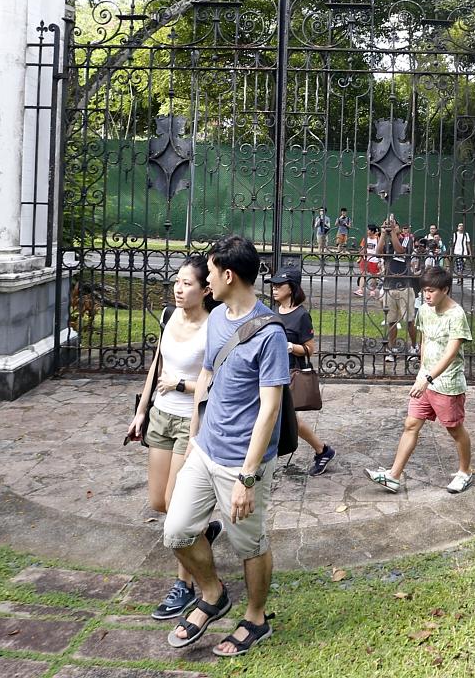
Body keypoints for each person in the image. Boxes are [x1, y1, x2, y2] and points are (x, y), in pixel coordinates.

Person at [162, 236, 290, 658]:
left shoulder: (269, 334)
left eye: (211, 272)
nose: (206, 279)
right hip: (205, 448)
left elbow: (270, 409)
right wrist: (196, 436)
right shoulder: (217, 318)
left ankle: (256, 618)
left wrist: (247, 478)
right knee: (177, 530)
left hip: (242, 462)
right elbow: (208, 376)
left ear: (228, 275)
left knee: (250, 545)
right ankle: (214, 594)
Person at [126, 256, 217, 621]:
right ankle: (203, 533)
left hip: (189, 421)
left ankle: (186, 584)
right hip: (161, 417)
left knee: (175, 505)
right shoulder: (168, 316)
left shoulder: (213, 327)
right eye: (177, 282)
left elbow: (213, 382)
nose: (179, 289)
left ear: (206, 290)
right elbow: (156, 365)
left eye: (187, 284)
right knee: (157, 502)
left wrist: (182, 385)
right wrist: (142, 410)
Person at [365, 267, 475, 495]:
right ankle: (394, 476)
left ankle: (465, 471)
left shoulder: (456, 315)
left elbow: (451, 353)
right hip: (425, 380)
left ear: (445, 290)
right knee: (411, 424)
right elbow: (424, 341)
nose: (427, 295)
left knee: (454, 429)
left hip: (447, 383)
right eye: (424, 290)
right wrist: (421, 372)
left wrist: (428, 377)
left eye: (431, 291)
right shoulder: (425, 310)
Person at [267, 267, 336, 477]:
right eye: (274, 285)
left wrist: (289, 346)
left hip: (289, 371)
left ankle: (322, 450)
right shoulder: (273, 310)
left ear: (292, 288)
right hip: (272, 367)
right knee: (280, 416)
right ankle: (322, 450)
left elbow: (310, 349)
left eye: (280, 285)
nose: (275, 289)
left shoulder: (301, 315)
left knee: (283, 416)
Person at [381, 224, 417, 362]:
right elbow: (379, 252)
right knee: (391, 321)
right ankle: (392, 349)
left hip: (404, 286)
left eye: (392, 225)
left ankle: (414, 347)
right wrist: (384, 234)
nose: (390, 227)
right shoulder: (388, 242)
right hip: (389, 286)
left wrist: (395, 234)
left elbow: (400, 251)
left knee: (409, 320)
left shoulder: (407, 239)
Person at [353, 224, 382, 297]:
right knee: (363, 274)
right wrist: (361, 256)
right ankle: (360, 290)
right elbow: (362, 249)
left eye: (368, 230)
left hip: (374, 260)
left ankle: (372, 290)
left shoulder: (378, 239)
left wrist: (380, 261)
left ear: (372, 231)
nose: (367, 231)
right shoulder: (365, 238)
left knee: (374, 277)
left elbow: (381, 251)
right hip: (365, 259)